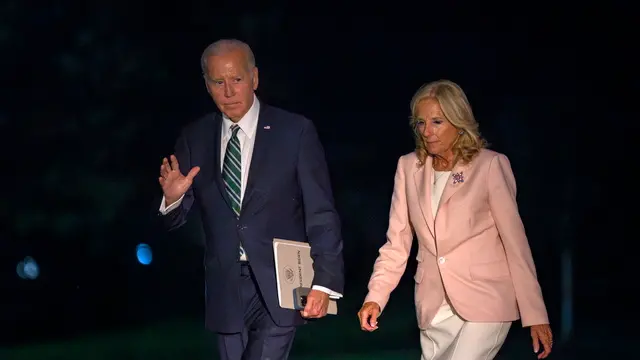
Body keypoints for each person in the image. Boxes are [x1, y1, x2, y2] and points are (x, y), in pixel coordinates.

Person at [157, 39, 344, 360]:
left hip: (282, 283)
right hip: (226, 288)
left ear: (254, 78)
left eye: (237, 80)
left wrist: (324, 282)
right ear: (206, 85)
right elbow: (175, 220)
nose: (229, 91)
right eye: (218, 82)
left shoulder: (294, 131)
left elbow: (321, 211)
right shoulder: (195, 137)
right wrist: (171, 200)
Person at [357, 80, 553, 359]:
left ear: (459, 122)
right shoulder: (408, 167)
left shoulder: (490, 166)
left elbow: (515, 243)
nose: (427, 131)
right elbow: (397, 243)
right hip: (434, 304)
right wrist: (375, 297)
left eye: (437, 121)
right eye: (421, 123)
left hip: (486, 298)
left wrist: (535, 313)